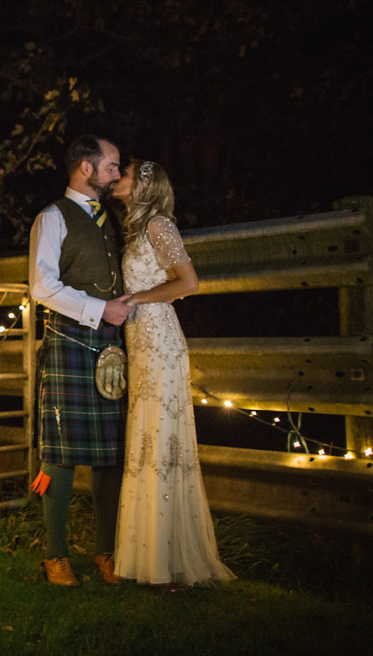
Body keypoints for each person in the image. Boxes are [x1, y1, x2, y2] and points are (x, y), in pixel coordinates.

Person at [111, 159, 234, 587]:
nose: (117, 179)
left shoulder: (160, 225)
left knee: (161, 440)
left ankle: (168, 561)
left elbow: (189, 283)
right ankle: (147, 558)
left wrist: (137, 298)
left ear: (143, 185)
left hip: (160, 339)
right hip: (140, 338)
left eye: (124, 173)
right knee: (146, 438)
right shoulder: (135, 228)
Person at [28, 134, 133, 587]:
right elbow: (41, 286)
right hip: (70, 342)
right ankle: (55, 555)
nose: (117, 173)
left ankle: (106, 552)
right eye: (111, 166)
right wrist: (99, 310)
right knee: (61, 455)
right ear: (86, 169)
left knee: (111, 454)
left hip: (113, 347)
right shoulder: (52, 217)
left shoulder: (115, 220)